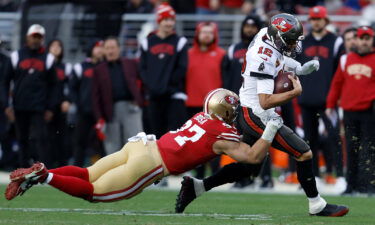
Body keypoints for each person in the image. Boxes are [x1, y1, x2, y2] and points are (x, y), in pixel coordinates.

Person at [175, 13, 349, 217]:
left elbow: (280, 59)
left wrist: (299, 69)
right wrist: (294, 93)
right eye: (291, 40)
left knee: (251, 164)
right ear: (280, 37)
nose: (294, 44)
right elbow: (265, 100)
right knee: (303, 152)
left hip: (251, 109)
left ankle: (197, 187)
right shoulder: (263, 55)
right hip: (256, 114)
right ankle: (316, 204)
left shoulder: (267, 34)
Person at [5, 88, 282, 203]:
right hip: (151, 164)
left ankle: (41, 175)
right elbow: (254, 156)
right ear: (227, 112)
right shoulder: (222, 136)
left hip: (140, 145)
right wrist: (271, 126)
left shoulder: (200, 117)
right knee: (94, 193)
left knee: (88, 173)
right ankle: (44, 174)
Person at [296, 6, 345, 186]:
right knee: (309, 140)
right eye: (313, 19)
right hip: (307, 98)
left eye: (319, 19)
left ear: (326, 20)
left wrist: (337, 96)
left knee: (334, 138)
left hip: (328, 100)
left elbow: (340, 72)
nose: (316, 22)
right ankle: (313, 176)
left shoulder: (336, 41)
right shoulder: (302, 42)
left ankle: (339, 175)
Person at [326, 26, 375, 194]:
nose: (364, 42)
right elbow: (337, 83)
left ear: (371, 40)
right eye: (362, 38)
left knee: (368, 148)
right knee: (351, 149)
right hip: (349, 111)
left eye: (367, 38)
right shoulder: (346, 59)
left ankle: (369, 184)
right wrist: (330, 104)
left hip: (369, 111)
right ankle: (351, 185)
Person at [0, 24, 57, 167]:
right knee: (21, 139)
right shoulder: (15, 56)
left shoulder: (48, 58)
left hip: (40, 107)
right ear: (27, 37)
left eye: (38, 37)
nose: (35, 40)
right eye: (33, 36)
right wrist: (6, 105)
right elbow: (5, 82)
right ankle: (22, 169)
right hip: (19, 105)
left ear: (42, 39)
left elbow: (54, 86)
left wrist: (50, 107)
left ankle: (44, 170)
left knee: (41, 138)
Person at [139, 3, 188, 139]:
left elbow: (182, 68)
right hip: (154, 96)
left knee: (175, 135)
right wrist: (152, 86)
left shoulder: (180, 42)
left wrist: (167, 86)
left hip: (174, 95)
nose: (169, 23)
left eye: (171, 20)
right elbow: (142, 68)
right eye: (166, 19)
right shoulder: (147, 42)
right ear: (159, 21)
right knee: (155, 135)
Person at [185, 21, 226, 179]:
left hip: (215, 107)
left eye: (210, 32)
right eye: (203, 32)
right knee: (195, 143)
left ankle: (215, 175)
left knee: (216, 141)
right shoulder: (188, 54)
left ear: (215, 35)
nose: (206, 35)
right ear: (197, 34)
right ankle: (198, 174)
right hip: (192, 103)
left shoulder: (222, 55)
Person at [92, 36, 143, 155]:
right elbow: (95, 96)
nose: (110, 51)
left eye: (113, 47)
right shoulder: (99, 70)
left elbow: (143, 81)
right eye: (107, 48)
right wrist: (99, 117)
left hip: (131, 108)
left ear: (119, 49)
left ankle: (138, 173)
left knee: (136, 144)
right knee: (113, 149)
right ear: (104, 50)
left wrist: (140, 99)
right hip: (110, 111)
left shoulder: (131, 64)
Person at [70, 40, 105, 166]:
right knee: (80, 142)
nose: (100, 50)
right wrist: (79, 104)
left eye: (102, 47)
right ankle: (77, 169)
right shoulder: (80, 67)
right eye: (97, 47)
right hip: (84, 112)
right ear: (91, 49)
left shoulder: (106, 67)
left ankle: (104, 170)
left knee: (103, 143)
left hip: (102, 113)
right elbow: (72, 88)